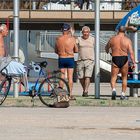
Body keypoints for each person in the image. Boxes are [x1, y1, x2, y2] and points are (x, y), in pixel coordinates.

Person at [105, 26, 135, 100]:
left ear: (118, 31)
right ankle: (123, 94)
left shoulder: (112, 39)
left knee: (113, 77)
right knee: (124, 77)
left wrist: (110, 52)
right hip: (124, 58)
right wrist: (133, 63)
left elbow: (106, 49)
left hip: (115, 58)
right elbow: (131, 53)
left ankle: (114, 90)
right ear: (125, 31)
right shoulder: (127, 40)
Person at [0, 24, 28, 91]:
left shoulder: (2, 39)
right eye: (6, 30)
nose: (7, 31)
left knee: (19, 69)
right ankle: (27, 89)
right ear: (1, 30)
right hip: (2, 62)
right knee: (23, 68)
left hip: (4, 61)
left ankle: (16, 78)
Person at [55, 23, 78, 100]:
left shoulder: (58, 39)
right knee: (70, 77)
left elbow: (56, 51)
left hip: (61, 58)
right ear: (68, 30)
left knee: (62, 76)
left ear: (62, 30)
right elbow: (76, 50)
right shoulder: (72, 39)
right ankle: (70, 94)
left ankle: (60, 94)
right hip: (70, 58)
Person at [77, 26, 95, 97]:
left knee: (87, 76)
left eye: (87, 32)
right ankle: (84, 89)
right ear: (82, 32)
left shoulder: (93, 39)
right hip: (80, 60)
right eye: (84, 32)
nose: (85, 33)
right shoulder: (79, 39)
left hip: (90, 60)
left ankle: (86, 91)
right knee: (81, 77)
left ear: (89, 33)